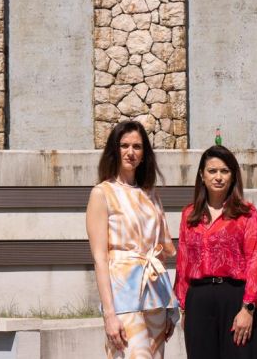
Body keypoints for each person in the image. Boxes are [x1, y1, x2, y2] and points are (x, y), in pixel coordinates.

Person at [86, 119, 178, 359]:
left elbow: (160, 253)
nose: (130, 152)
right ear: (114, 150)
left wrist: (169, 306)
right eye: (124, 145)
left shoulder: (151, 194)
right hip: (122, 295)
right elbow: (100, 258)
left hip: (155, 296)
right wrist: (109, 314)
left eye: (137, 146)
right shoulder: (101, 193)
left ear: (144, 153)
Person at [174, 145, 257, 359]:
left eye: (224, 171)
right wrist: (184, 308)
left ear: (233, 175)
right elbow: (183, 262)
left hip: (236, 299)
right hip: (198, 301)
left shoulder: (246, 213)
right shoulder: (189, 214)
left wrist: (248, 308)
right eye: (212, 171)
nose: (218, 177)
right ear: (202, 175)